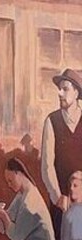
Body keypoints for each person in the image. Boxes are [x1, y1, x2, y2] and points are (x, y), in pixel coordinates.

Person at [41, 68, 82, 213]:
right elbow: (47, 167)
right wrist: (58, 197)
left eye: (65, 89)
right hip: (61, 203)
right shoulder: (52, 121)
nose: (60, 93)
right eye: (59, 89)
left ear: (76, 93)